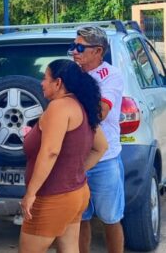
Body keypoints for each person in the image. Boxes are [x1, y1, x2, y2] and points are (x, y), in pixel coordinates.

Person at [19, 59, 108, 253]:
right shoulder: (82, 106)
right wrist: (75, 172)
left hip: (52, 196)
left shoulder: (59, 108)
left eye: (45, 78)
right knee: (69, 248)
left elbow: (51, 152)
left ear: (58, 83)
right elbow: (101, 147)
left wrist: (31, 193)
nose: (41, 83)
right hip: (76, 192)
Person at [70, 26, 125, 253]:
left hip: (105, 160)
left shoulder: (111, 75)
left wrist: (70, 111)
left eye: (80, 47)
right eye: (73, 46)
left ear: (98, 51)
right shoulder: (72, 74)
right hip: (75, 160)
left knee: (111, 219)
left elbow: (101, 112)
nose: (74, 51)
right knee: (80, 219)